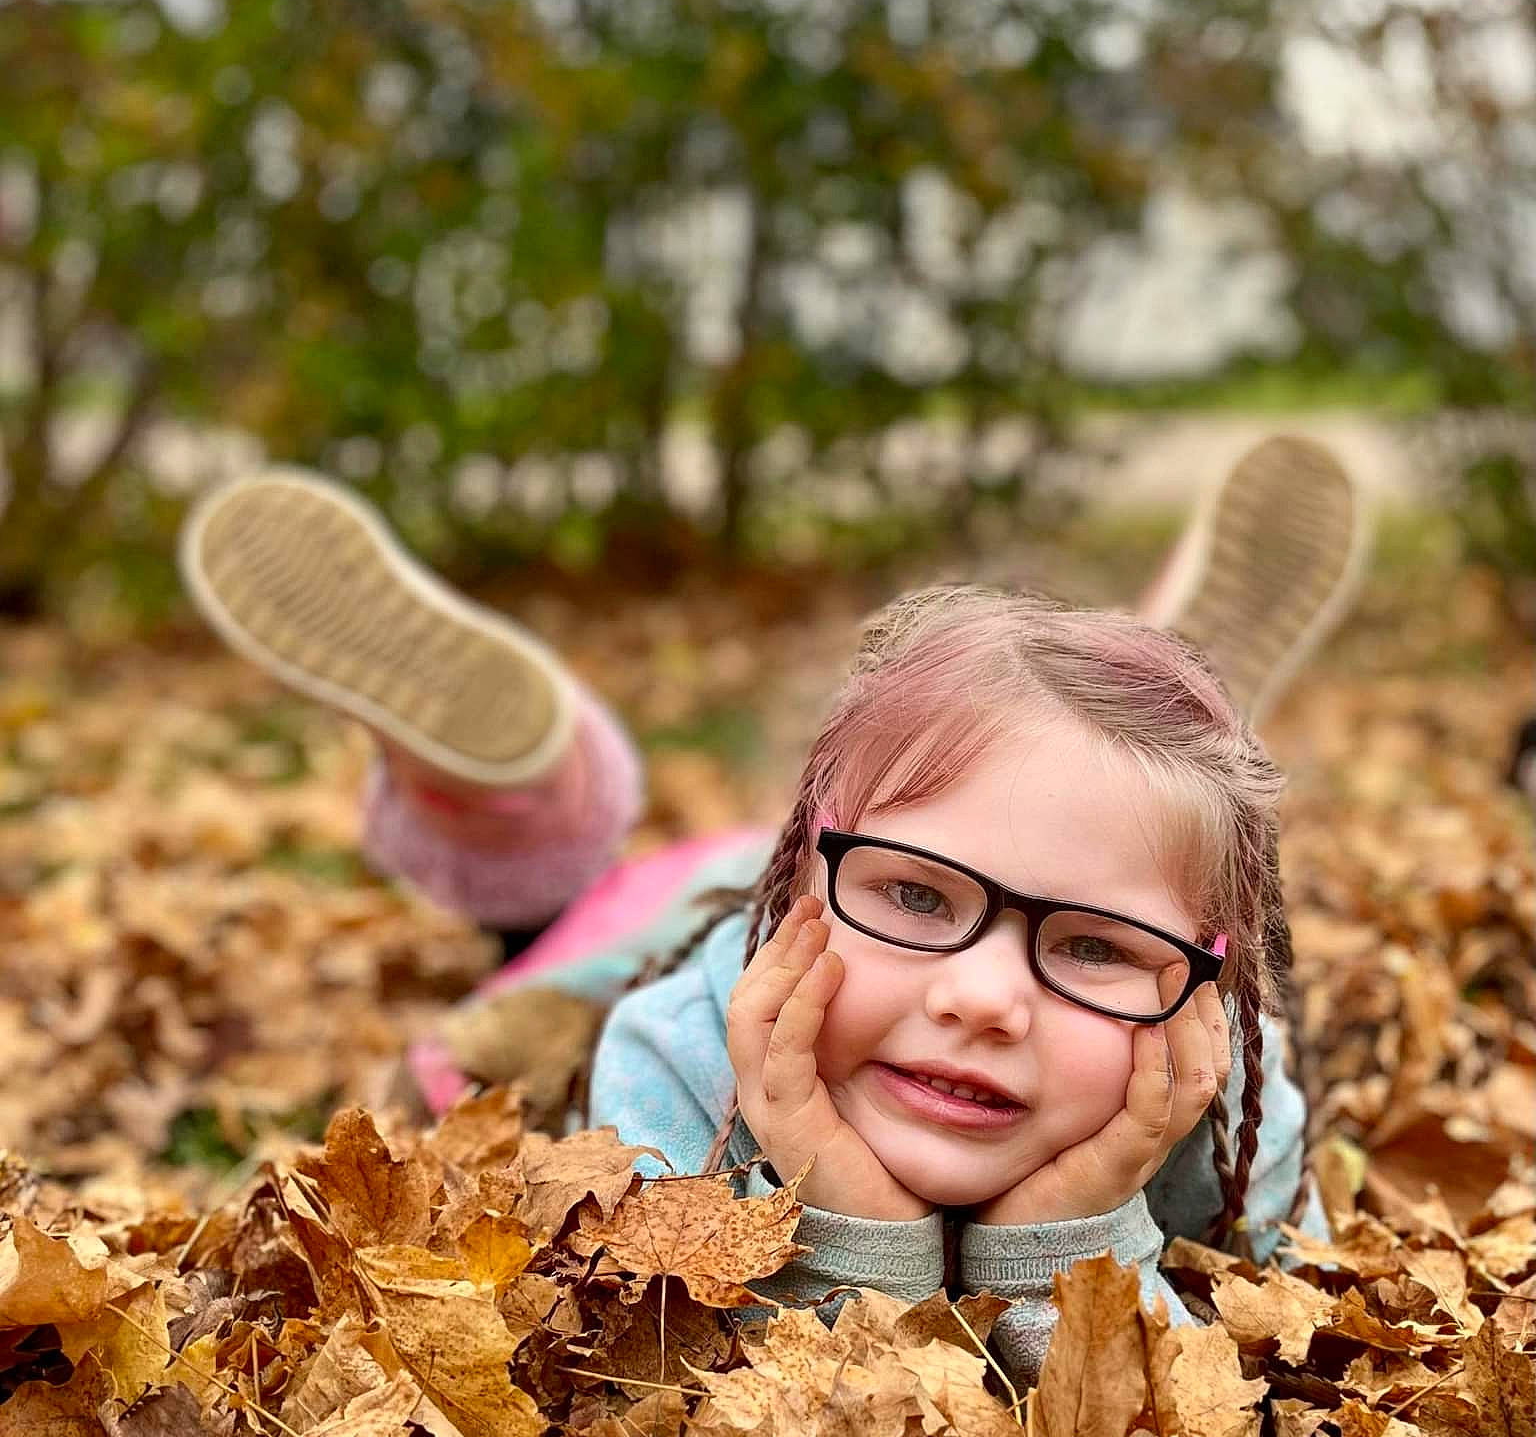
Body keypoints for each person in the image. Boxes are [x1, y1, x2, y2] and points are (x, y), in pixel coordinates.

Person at [180, 437, 1365, 1378]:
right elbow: (673, 1389)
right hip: (669, 922)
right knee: (545, 937)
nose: (985, 999)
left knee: (1085, 814)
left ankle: (1138, 739)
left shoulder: (1226, 1117)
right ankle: (515, 781)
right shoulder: (676, 1051)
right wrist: (837, 1204)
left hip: (880, 886)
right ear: (810, 874)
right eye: (919, 889)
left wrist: (1074, 1227)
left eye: (1098, 944)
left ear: (1203, 980)